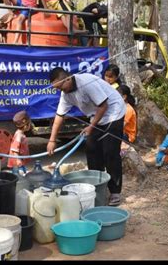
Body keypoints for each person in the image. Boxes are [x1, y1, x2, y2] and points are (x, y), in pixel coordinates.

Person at [47, 67, 126, 206]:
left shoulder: (87, 83)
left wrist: (91, 126)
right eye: (57, 88)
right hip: (96, 117)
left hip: (114, 112)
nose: (60, 90)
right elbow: (59, 116)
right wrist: (52, 140)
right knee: (92, 151)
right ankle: (98, 187)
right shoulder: (65, 94)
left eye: (60, 87)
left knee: (110, 152)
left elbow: (103, 106)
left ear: (67, 78)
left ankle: (115, 192)